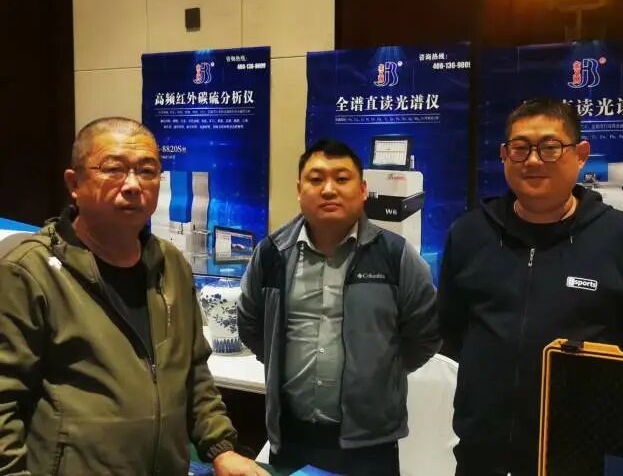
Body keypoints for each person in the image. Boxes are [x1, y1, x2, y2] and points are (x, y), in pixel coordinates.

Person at [0, 117, 268, 476]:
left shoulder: (170, 264)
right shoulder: (28, 272)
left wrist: (220, 448)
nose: (132, 185)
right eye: (113, 169)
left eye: (147, 171)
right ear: (74, 183)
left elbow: (193, 371)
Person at [437, 98, 623, 476]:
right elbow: (453, 333)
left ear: (581, 155)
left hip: (578, 460)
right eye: (520, 148)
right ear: (505, 155)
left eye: (550, 147)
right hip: (480, 456)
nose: (533, 160)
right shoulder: (470, 234)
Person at [238, 139, 440, 476]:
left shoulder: (396, 257)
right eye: (316, 179)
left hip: (370, 446)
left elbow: (426, 334)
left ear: (363, 190)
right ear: (299, 189)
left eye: (342, 179)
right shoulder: (272, 254)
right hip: (291, 437)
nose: (329, 189)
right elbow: (250, 324)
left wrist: (380, 373)